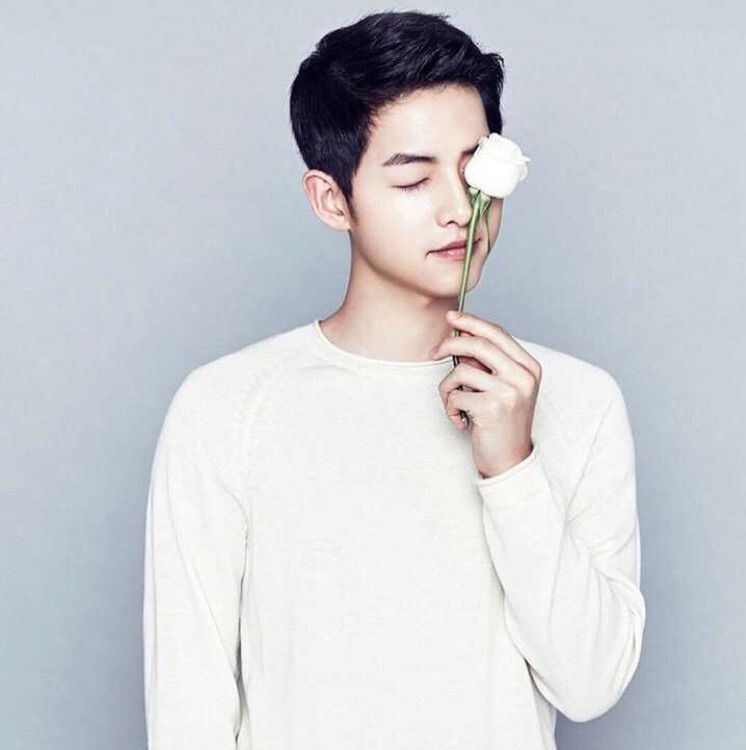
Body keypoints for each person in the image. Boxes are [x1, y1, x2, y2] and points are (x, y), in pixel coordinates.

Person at [142, 10, 645, 749]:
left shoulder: (577, 398)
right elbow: (190, 708)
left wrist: (512, 467)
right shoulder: (226, 407)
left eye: (474, 171)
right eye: (413, 178)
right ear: (331, 199)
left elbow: (592, 685)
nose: (460, 211)